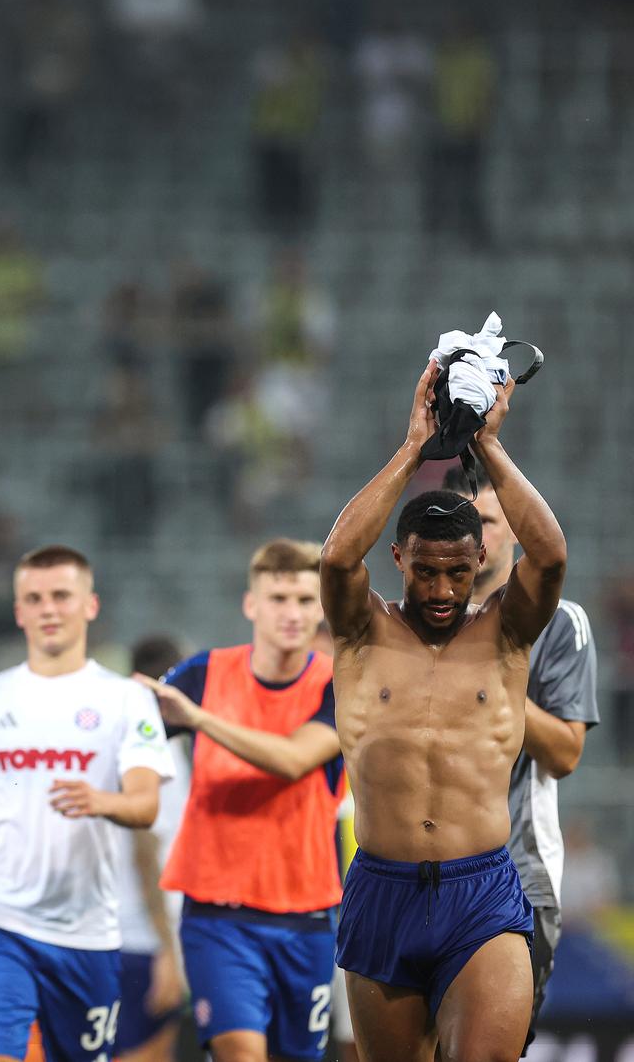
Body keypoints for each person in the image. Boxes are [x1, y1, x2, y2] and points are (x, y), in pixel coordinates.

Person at [320, 362, 564, 1060]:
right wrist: (414, 446)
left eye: (458, 571)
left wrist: (486, 443)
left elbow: (548, 556)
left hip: (480, 891)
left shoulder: (505, 632)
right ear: (398, 556)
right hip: (381, 889)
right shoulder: (362, 631)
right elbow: (338, 559)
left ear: (480, 559)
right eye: (425, 569)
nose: (441, 587)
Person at [0, 546, 174, 1062]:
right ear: (18, 611)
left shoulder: (127, 699)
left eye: (61, 595)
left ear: (90, 605)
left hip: (90, 935)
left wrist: (101, 800)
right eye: (34, 599)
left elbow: (146, 805)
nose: (48, 609)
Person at [132, 540, 345, 1062]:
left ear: (320, 608)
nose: (291, 614)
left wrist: (199, 720)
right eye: (278, 599)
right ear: (251, 605)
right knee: (241, 1054)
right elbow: (131, 735)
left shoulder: (342, 689)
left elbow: (294, 760)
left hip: (307, 915)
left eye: (303, 600)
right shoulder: (203, 675)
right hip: (217, 916)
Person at [441, 462, 598, 1049]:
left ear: (510, 525)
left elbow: (566, 753)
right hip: (415, 877)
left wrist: (491, 680)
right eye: (459, 524)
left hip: (516, 875)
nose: (472, 539)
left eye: (484, 520)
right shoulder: (416, 623)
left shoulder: (559, 624)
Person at [115, 635, 192, 1062]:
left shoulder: (157, 744)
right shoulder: (153, 747)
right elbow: (147, 851)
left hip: (136, 934)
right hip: (143, 939)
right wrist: (166, 948)